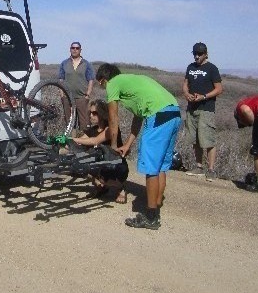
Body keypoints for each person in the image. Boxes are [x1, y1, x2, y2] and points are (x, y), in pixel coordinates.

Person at [74, 63, 181, 230]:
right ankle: (157, 204)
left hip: (157, 115)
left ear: (103, 80)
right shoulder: (132, 81)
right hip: (174, 112)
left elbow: (113, 118)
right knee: (160, 166)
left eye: (101, 84)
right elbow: (138, 118)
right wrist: (128, 144)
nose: (103, 89)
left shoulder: (113, 84)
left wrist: (115, 145)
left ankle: (151, 217)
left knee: (151, 167)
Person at [73, 99, 128, 204]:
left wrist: (74, 139)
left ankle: (121, 187)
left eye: (95, 113)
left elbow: (95, 140)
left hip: (116, 165)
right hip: (102, 165)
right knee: (81, 166)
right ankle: (102, 187)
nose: (91, 116)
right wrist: (64, 142)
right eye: (90, 113)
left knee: (104, 177)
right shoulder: (92, 130)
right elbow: (82, 141)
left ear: (102, 113)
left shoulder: (111, 129)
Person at [182, 42, 223, 181]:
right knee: (195, 139)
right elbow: (185, 84)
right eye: (195, 53)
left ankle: (211, 169)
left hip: (206, 109)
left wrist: (203, 97)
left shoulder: (212, 68)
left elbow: (218, 89)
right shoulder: (190, 67)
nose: (196, 56)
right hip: (192, 108)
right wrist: (187, 94)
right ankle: (198, 167)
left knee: (208, 140)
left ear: (206, 54)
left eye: (199, 54)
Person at [58, 41, 95, 132]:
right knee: (70, 123)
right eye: (73, 48)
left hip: (82, 98)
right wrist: (62, 95)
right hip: (67, 98)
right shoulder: (64, 63)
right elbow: (60, 80)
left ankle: (83, 143)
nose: (75, 50)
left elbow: (91, 80)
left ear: (80, 50)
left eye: (77, 48)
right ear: (70, 49)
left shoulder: (86, 64)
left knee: (84, 123)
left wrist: (88, 94)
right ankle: (72, 143)